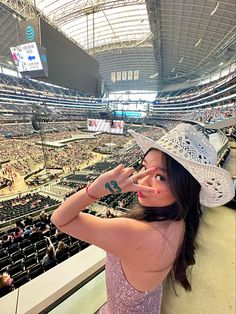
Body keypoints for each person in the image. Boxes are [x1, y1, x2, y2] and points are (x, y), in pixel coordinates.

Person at [51, 123, 234, 314]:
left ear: (183, 187)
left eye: (160, 177)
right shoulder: (181, 220)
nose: (141, 180)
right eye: (144, 168)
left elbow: (61, 219)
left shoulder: (134, 233)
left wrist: (95, 190)